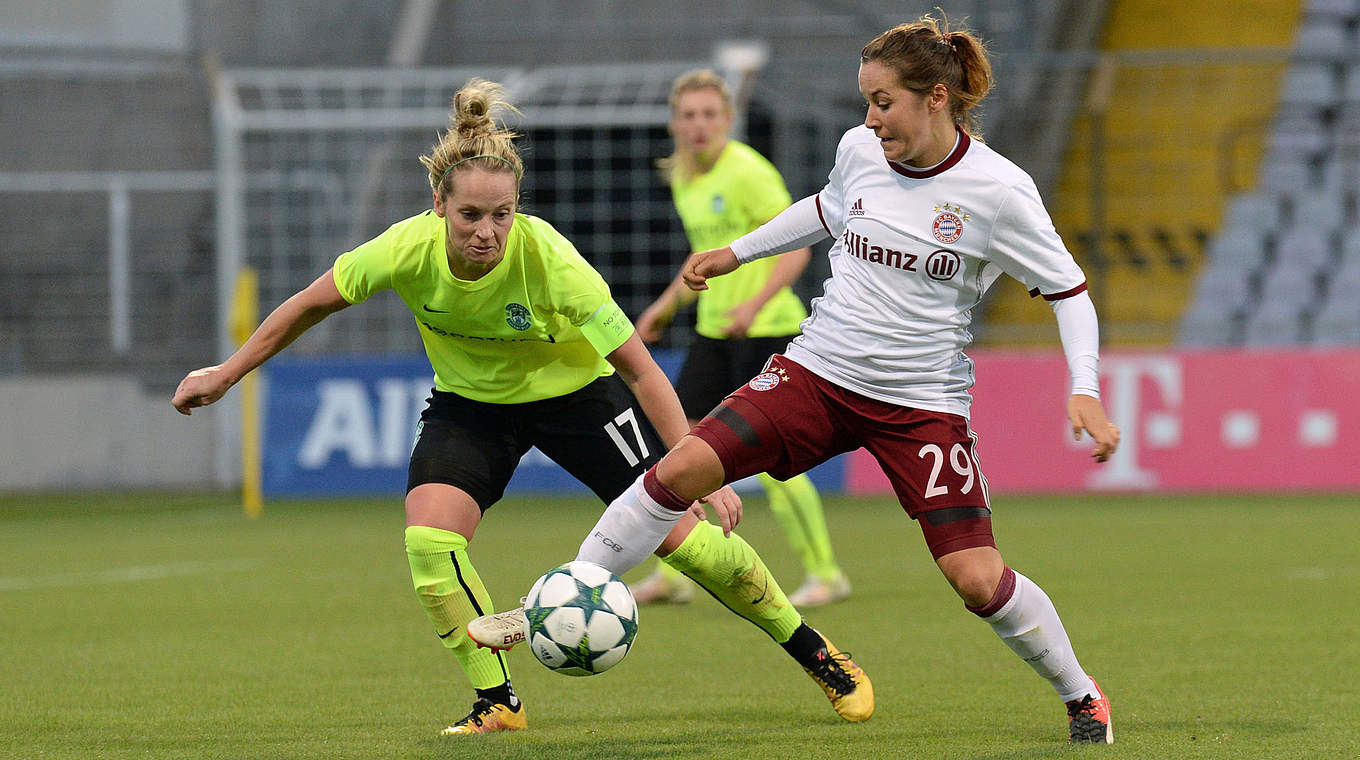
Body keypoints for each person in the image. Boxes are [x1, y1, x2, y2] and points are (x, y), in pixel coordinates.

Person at [473, 17, 1121, 745]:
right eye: (866, 102)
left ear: (936, 97)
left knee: (976, 579)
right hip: (818, 372)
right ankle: (559, 598)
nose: (871, 120)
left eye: (884, 102)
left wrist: (1086, 387)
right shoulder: (859, 152)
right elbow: (826, 208)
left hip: (920, 405)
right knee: (680, 466)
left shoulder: (998, 190)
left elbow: (1068, 291)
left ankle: (1081, 695)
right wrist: (736, 254)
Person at [171, 78, 872, 737]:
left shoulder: (552, 262)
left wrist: (696, 469)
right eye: (470, 214)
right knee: (428, 545)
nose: (486, 231)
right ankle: (496, 701)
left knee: (684, 539)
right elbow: (309, 305)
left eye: (501, 214)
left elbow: (639, 369)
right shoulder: (403, 250)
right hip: (471, 408)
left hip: (578, 400)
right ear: (439, 206)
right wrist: (229, 372)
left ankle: (814, 651)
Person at [629, 69, 851, 608]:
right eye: (689, 115)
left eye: (710, 114)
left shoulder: (748, 172)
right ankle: (678, 574)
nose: (699, 125)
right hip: (714, 330)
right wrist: (659, 310)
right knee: (678, 446)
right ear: (675, 124)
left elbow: (798, 246)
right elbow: (701, 254)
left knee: (768, 457)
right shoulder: (684, 177)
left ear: (728, 120)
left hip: (764, 328)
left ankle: (826, 573)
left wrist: (752, 304)